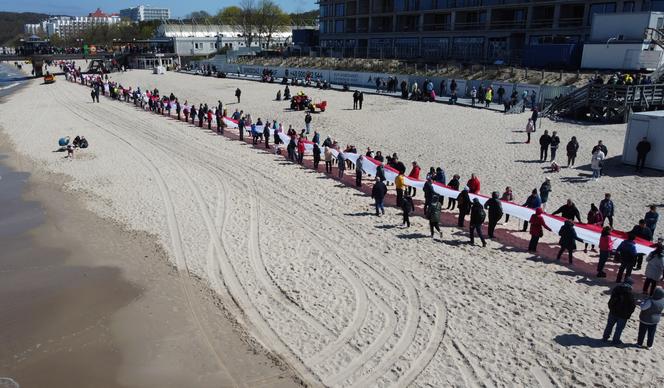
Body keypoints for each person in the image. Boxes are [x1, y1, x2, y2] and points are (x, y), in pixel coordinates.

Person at [602, 278, 636, 345]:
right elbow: (632, 306)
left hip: (613, 312)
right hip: (623, 315)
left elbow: (611, 300)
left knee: (609, 325)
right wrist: (628, 314)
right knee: (619, 328)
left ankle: (605, 337)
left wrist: (611, 308)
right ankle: (615, 340)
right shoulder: (630, 293)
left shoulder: (616, 289)